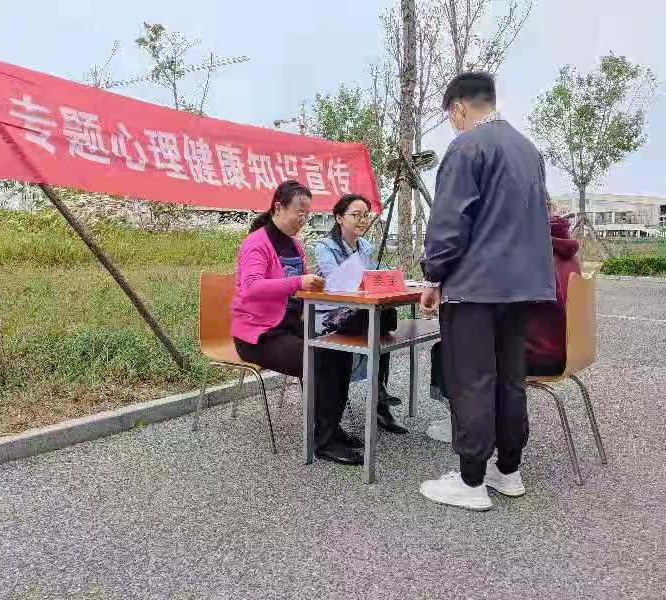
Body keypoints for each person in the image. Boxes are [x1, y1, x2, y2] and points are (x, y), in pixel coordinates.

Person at [418, 72, 555, 511]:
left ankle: (470, 480)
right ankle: (508, 470)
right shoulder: (529, 150)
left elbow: (449, 223)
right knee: (510, 379)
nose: (453, 125)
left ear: (459, 108)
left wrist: (433, 275)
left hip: (474, 288)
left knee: (472, 379)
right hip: (521, 288)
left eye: (451, 117)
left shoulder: (467, 147)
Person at [426, 199, 582, 443]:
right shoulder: (565, 248)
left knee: (449, 350)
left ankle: (467, 424)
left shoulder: (527, 250)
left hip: (537, 352)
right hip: (566, 349)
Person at [231, 180, 362, 466]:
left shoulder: (294, 245)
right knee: (320, 356)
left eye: (307, 214)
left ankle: (331, 429)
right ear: (278, 207)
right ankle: (324, 442)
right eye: (299, 213)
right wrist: (298, 282)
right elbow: (251, 287)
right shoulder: (256, 243)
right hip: (259, 335)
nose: (303, 220)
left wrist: (320, 284)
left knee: (339, 349)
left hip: (289, 326)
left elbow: (299, 287)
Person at [313, 193, 408, 436]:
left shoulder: (365, 246)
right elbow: (336, 282)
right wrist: (365, 281)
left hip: (360, 310)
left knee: (386, 318)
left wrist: (386, 276)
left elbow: (372, 277)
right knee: (381, 321)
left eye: (365, 215)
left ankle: (379, 398)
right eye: (356, 215)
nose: (362, 220)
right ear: (339, 218)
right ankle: (379, 400)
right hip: (331, 315)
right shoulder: (325, 247)